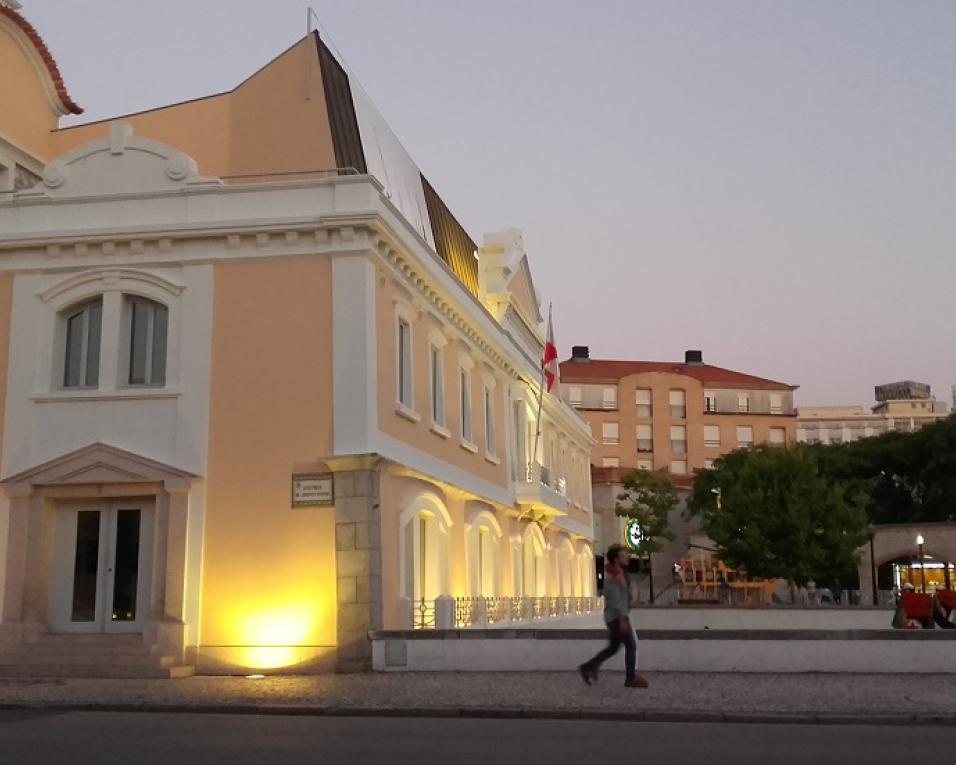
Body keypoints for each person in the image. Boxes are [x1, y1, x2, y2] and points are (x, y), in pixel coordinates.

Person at [578, 544, 648, 688]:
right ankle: (630, 678)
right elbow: (616, 600)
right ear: (616, 559)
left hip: (615, 616)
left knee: (614, 647)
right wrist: (622, 619)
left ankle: (588, 666)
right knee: (631, 646)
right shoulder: (614, 577)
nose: (627, 558)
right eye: (623, 556)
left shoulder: (618, 574)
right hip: (617, 617)